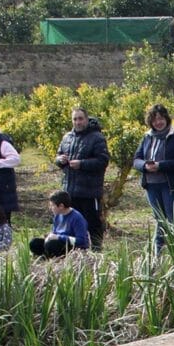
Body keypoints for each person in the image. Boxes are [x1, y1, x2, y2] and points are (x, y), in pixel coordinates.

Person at [133, 103, 174, 248]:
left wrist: (161, 166)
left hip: (170, 185)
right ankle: (158, 253)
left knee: (172, 219)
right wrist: (145, 166)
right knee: (159, 219)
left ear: (167, 119)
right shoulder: (147, 137)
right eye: (155, 119)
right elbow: (136, 159)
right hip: (151, 184)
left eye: (161, 118)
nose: (158, 122)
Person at [54, 107, 109, 250]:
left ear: (86, 119)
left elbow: (102, 161)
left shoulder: (97, 138)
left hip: (90, 190)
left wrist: (82, 164)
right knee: (72, 224)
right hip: (70, 191)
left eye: (80, 118)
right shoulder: (67, 137)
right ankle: (77, 252)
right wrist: (60, 160)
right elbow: (58, 156)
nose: (77, 122)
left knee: (93, 223)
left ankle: (97, 251)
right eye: (75, 119)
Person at [28, 190, 90, 257]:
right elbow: (54, 232)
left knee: (51, 245)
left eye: (52, 205)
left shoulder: (77, 218)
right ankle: (44, 256)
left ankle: (48, 256)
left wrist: (59, 237)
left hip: (73, 247)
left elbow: (81, 241)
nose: (50, 208)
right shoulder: (57, 215)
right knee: (34, 243)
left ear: (61, 206)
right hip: (58, 242)